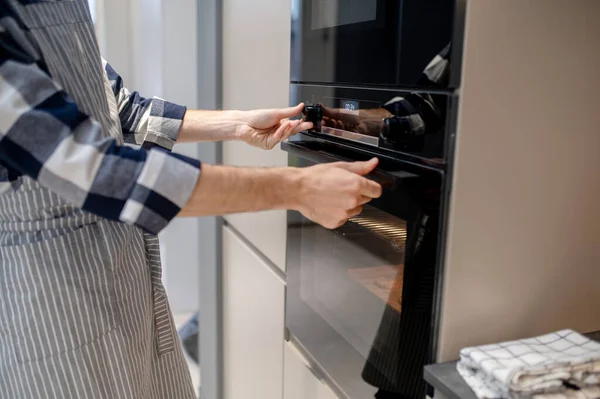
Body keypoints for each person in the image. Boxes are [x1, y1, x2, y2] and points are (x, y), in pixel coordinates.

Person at [0, 1, 382, 398]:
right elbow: (95, 169)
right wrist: (296, 188)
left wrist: (236, 124)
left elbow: (121, 109)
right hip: (49, 291)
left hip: (121, 269)